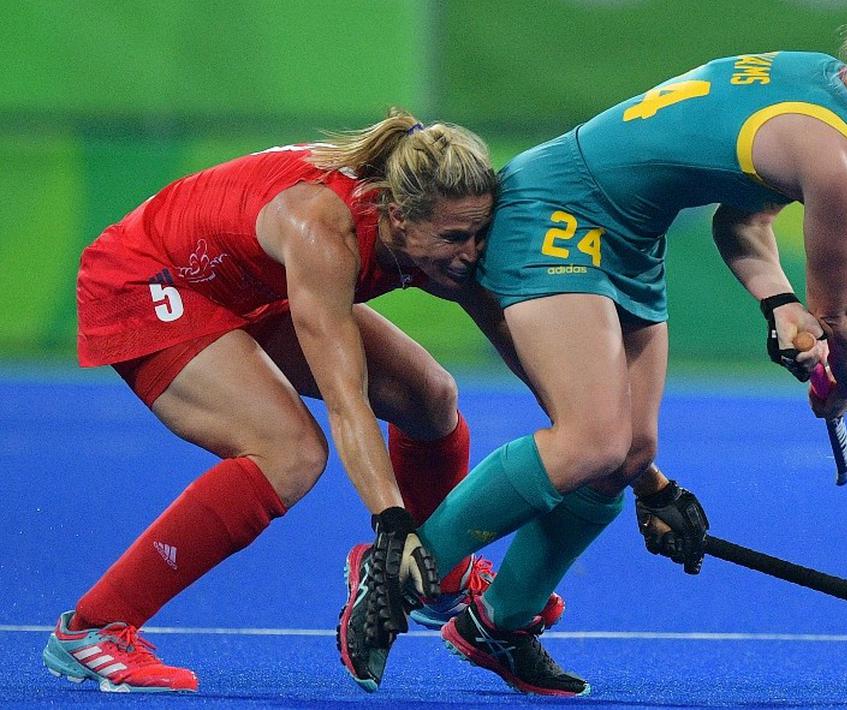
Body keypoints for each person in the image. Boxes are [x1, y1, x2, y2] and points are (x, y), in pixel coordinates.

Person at [340, 0, 847, 697]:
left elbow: (743, 224)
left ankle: (499, 624)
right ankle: (397, 574)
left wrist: (778, 305)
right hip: (561, 209)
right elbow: (843, 314)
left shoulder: (817, 86)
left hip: (631, 238)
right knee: (590, 441)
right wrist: (839, 386)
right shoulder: (832, 161)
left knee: (629, 454)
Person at [42, 108, 536, 693]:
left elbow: (509, 331)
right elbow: (345, 399)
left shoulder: (432, 222)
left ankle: (440, 578)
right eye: (456, 238)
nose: (472, 253)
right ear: (398, 219)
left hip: (250, 281)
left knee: (431, 397)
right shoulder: (322, 232)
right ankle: (93, 628)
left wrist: (619, 450)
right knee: (291, 451)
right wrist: (391, 523)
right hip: (151, 279)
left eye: (480, 234)